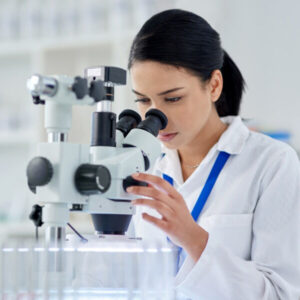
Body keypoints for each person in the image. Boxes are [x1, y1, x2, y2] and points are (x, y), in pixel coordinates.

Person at [125, 9, 300, 300]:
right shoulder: (148, 169)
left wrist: (192, 237)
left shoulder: (272, 164)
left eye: (173, 98)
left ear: (214, 85)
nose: (156, 116)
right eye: (143, 100)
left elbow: (283, 294)